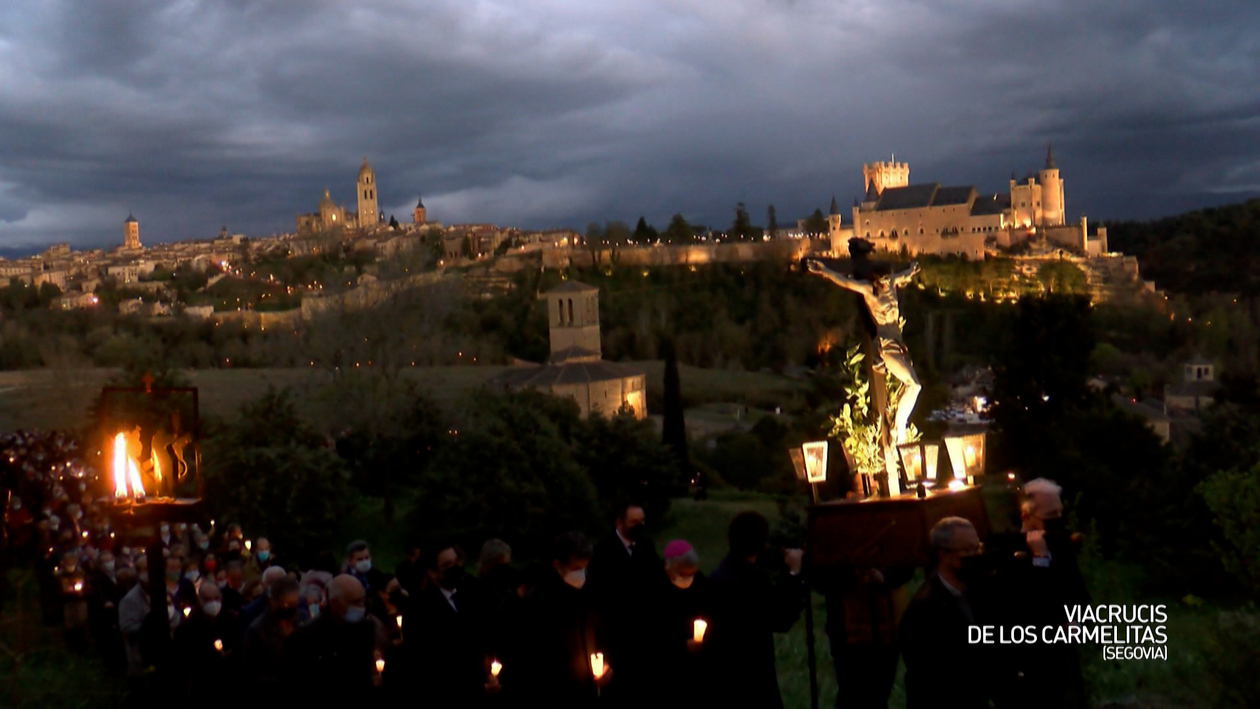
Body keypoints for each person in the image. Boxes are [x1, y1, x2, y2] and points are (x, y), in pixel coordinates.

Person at [807, 245, 921, 445]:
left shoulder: (892, 283)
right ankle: (898, 430)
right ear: (877, 280)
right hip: (886, 343)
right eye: (884, 280)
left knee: (910, 385)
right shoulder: (870, 291)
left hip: (899, 340)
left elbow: (903, 276)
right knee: (914, 385)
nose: (888, 283)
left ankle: (898, 425)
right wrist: (824, 271)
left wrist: (911, 270)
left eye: (889, 279)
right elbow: (846, 282)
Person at [706, 511, 805, 709]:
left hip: (720, 679)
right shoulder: (753, 583)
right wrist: (794, 573)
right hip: (753, 679)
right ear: (762, 543)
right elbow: (781, 617)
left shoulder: (716, 578)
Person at [501, 532, 608, 707]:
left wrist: (606, 664)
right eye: (576, 569)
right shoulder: (538, 600)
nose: (581, 574)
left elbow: (602, 631)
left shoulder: (591, 590)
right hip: (553, 696)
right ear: (558, 565)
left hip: (589, 690)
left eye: (584, 567)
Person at [899, 517, 995, 708]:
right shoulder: (924, 609)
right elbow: (930, 675)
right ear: (944, 555)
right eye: (968, 550)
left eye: (978, 548)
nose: (976, 555)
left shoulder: (977, 590)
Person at [584, 502, 664, 704]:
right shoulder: (602, 551)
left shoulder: (646, 546)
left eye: (642, 521)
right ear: (619, 523)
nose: (640, 525)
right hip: (615, 634)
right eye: (634, 522)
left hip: (643, 635)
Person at [402, 543, 489, 703]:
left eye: (456, 561)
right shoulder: (418, 608)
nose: (456, 568)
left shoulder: (471, 592)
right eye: (448, 565)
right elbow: (425, 660)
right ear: (432, 573)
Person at [284, 574, 384, 700]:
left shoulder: (365, 628)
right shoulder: (305, 638)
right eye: (354, 602)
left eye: (362, 601)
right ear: (334, 603)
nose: (361, 607)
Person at [657, 540, 709, 708]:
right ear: (668, 569)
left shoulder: (700, 583)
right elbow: (654, 632)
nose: (688, 578)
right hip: (670, 669)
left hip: (700, 667)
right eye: (683, 574)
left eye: (691, 574)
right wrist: (682, 645)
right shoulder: (657, 590)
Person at [173, 582, 240, 704]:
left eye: (216, 598)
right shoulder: (188, 627)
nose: (213, 603)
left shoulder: (231, 620)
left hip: (230, 684)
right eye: (207, 599)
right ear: (199, 600)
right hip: (202, 687)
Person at [243, 576, 301, 701]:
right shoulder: (257, 631)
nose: (289, 609)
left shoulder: (302, 621)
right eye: (285, 604)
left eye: (293, 604)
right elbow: (251, 674)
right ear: (272, 601)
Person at [344, 539, 401, 621]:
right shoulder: (344, 580)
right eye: (360, 559)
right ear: (349, 561)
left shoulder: (376, 575)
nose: (364, 561)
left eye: (366, 558)